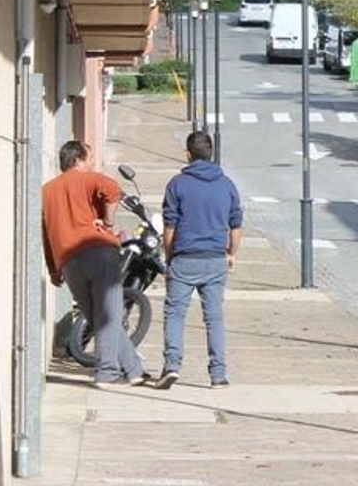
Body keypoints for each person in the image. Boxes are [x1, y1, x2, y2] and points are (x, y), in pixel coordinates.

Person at [42, 141, 150, 385]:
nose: (91, 163)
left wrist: (53, 269)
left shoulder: (47, 191)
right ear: (78, 160)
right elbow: (113, 190)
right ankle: (107, 372)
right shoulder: (86, 178)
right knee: (110, 316)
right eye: (89, 158)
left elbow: (46, 233)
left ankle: (133, 370)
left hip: (69, 263)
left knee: (97, 317)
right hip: (98, 251)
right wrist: (108, 222)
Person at [158, 130, 242, 389]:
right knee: (214, 316)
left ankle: (172, 365)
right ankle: (218, 375)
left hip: (185, 257)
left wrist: (169, 256)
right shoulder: (227, 184)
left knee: (175, 313)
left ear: (188, 154)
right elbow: (236, 227)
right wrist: (231, 254)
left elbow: (169, 227)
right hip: (215, 259)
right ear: (212, 153)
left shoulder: (177, 184)